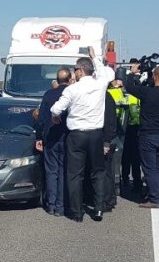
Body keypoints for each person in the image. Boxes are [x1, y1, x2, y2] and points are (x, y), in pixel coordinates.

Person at [50, 46, 114, 222]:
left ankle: (77, 212)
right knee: (98, 172)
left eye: (75, 70)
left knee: (75, 174)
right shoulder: (100, 84)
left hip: (76, 135)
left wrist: (56, 117)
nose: (74, 73)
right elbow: (108, 73)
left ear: (80, 71)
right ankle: (99, 209)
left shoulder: (72, 89)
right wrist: (95, 57)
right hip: (95, 134)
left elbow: (56, 109)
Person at [124, 63, 159, 209]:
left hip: (148, 135)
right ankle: (157, 193)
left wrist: (133, 74)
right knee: (156, 166)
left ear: (155, 76)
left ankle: (154, 198)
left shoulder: (149, 92)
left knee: (149, 167)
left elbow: (130, 87)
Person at [35, 68, 72, 217]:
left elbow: (41, 119)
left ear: (57, 80)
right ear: (69, 80)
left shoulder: (48, 94)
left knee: (51, 172)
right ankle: (61, 206)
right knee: (63, 172)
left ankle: (50, 204)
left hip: (50, 138)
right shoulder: (72, 95)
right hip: (66, 137)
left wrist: (38, 137)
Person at [109, 74, 141, 194]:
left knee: (118, 158)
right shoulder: (134, 96)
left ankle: (119, 182)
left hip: (117, 129)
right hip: (133, 129)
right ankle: (135, 182)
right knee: (133, 159)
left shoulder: (111, 93)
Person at [102, 80, 119, 212]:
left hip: (106, 140)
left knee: (106, 172)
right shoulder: (108, 97)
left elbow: (109, 122)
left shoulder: (106, 98)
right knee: (108, 171)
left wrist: (106, 142)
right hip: (109, 139)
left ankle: (108, 201)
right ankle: (110, 198)